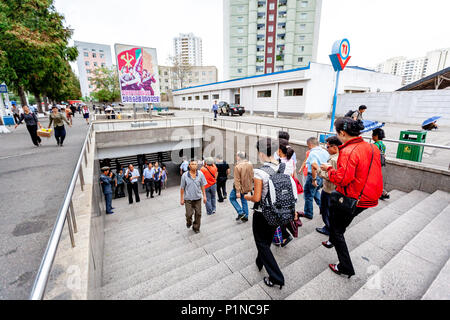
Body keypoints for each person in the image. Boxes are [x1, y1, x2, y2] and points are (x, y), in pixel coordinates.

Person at [320, 118, 383, 278]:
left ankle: (345, 266)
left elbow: (342, 179)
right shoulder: (371, 147)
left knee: (337, 229)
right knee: (341, 221)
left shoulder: (348, 151)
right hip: (369, 195)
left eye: (337, 132)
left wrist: (328, 169)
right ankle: (332, 239)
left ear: (342, 133)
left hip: (353, 197)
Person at [244, 137, 284, 289]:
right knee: (266, 239)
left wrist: (245, 196)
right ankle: (260, 261)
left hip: (263, 213)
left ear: (261, 153)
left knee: (261, 242)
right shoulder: (281, 165)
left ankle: (276, 277)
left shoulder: (259, 172)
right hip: (278, 209)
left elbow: (256, 197)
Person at [312, 136, 342, 236]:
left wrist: (318, 169)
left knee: (326, 210)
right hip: (335, 190)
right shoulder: (340, 156)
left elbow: (331, 176)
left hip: (329, 190)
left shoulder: (334, 160)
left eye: (328, 147)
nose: (326, 148)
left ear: (335, 147)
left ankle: (328, 229)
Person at [298, 137, 329, 220]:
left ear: (310, 144)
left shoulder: (312, 153)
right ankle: (323, 209)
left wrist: (314, 179)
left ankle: (308, 213)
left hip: (313, 175)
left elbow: (313, 166)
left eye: (308, 145)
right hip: (323, 176)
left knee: (308, 195)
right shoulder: (325, 151)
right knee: (315, 192)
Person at [277, 139, 300, 247]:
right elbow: (294, 175)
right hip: (290, 189)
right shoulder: (291, 161)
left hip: (281, 191)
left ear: (281, 151)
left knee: (279, 214)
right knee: (286, 212)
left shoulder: (279, 162)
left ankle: (285, 235)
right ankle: (285, 233)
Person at [180, 159, 207, 233]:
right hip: (188, 199)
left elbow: (202, 185)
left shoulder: (200, 174)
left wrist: (204, 196)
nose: (194, 166)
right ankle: (189, 222)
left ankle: (196, 227)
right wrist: (181, 199)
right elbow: (182, 188)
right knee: (189, 214)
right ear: (189, 166)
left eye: (195, 164)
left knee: (198, 213)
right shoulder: (185, 175)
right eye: (192, 164)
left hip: (198, 198)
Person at [230, 151, 254, 222]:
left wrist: (237, 191)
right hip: (247, 186)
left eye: (236, 156)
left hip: (239, 187)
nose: (236, 157)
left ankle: (240, 212)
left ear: (239, 157)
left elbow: (237, 180)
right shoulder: (250, 164)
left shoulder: (238, 167)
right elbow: (252, 176)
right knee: (244, 200)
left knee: (231, 198)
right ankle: (245, 216)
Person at [372, 128, 390, 200]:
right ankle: (382, 193)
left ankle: (382, 193)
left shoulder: (375, 145)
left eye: (373, 135)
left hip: (373, 165)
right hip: (379, 165)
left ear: (376, 136)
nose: (372, 137)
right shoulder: (383, 145)